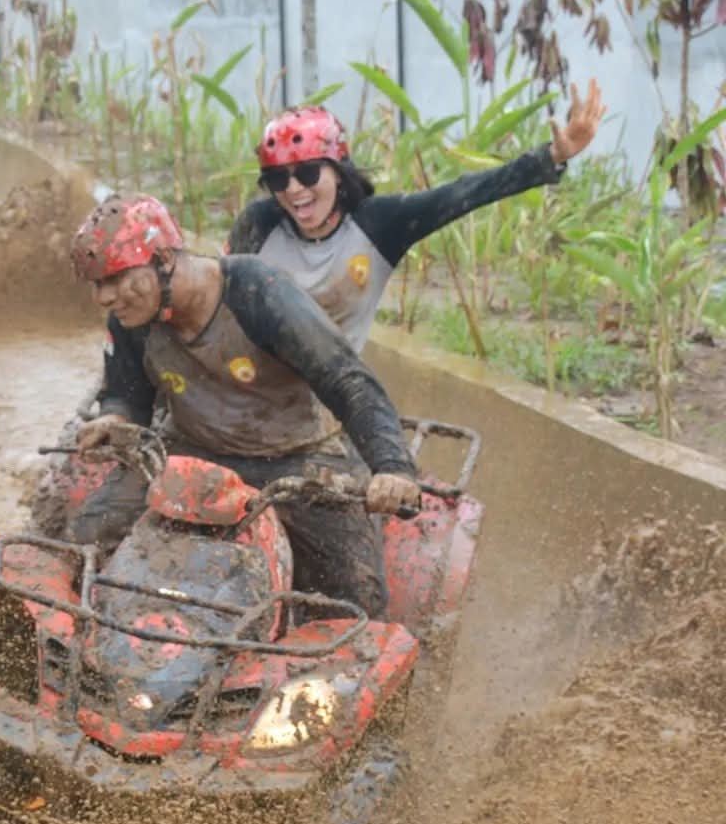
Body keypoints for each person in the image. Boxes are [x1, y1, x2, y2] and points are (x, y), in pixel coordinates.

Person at [67, 194, 421, 618]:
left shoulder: (258, 292)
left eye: (115, 278)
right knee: (85, 538)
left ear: (163, 260)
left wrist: (392, 467)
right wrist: (116, 417)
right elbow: (128, 393)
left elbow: (347, 379)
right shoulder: (132, 319)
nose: (104, 297)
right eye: (96, 284)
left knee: (355, 598)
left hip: (297, 458)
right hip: (190, 449)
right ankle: (97, 637)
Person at [227, 83, 604, 349]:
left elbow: (465, 193)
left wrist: (551, 156)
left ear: (339, 172)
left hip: (329, 391)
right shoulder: (258, 225)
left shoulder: (379, 224)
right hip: (250, 386)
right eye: (278, 179)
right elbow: (215, 299)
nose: (293, 190)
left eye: (308, 174)